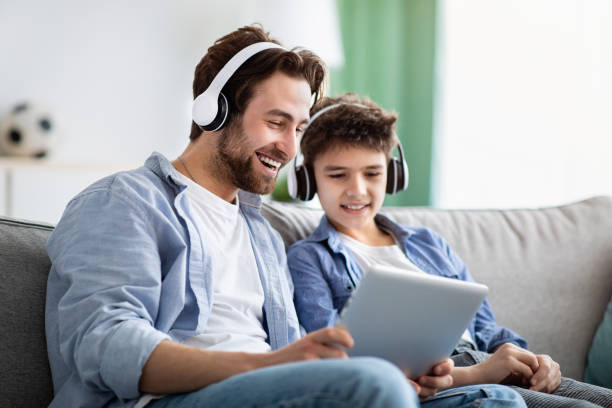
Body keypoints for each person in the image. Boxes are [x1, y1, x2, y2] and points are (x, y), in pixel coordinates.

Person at [44, 26, 526, 408]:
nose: (290, 148)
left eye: (298, 128)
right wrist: (269, 366)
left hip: (279, 393)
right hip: (162, 400)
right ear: (214, 111)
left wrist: (399, 371)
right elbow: (104, 344)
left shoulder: (263, 235)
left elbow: (300, 354)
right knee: (374, 386)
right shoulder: (124, 201)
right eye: (276, 122)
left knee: (497, 401)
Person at [286, 93, 612, 408]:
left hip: (485, 364)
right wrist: (477, 373)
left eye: (372, 173)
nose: (357, 189)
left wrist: (535, 362)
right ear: (308, 179)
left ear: (393, 174)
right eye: (338, 174)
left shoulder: (429, 243)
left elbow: (486, 329)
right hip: (443, 381)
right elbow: (336, 360)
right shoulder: (309, 259)